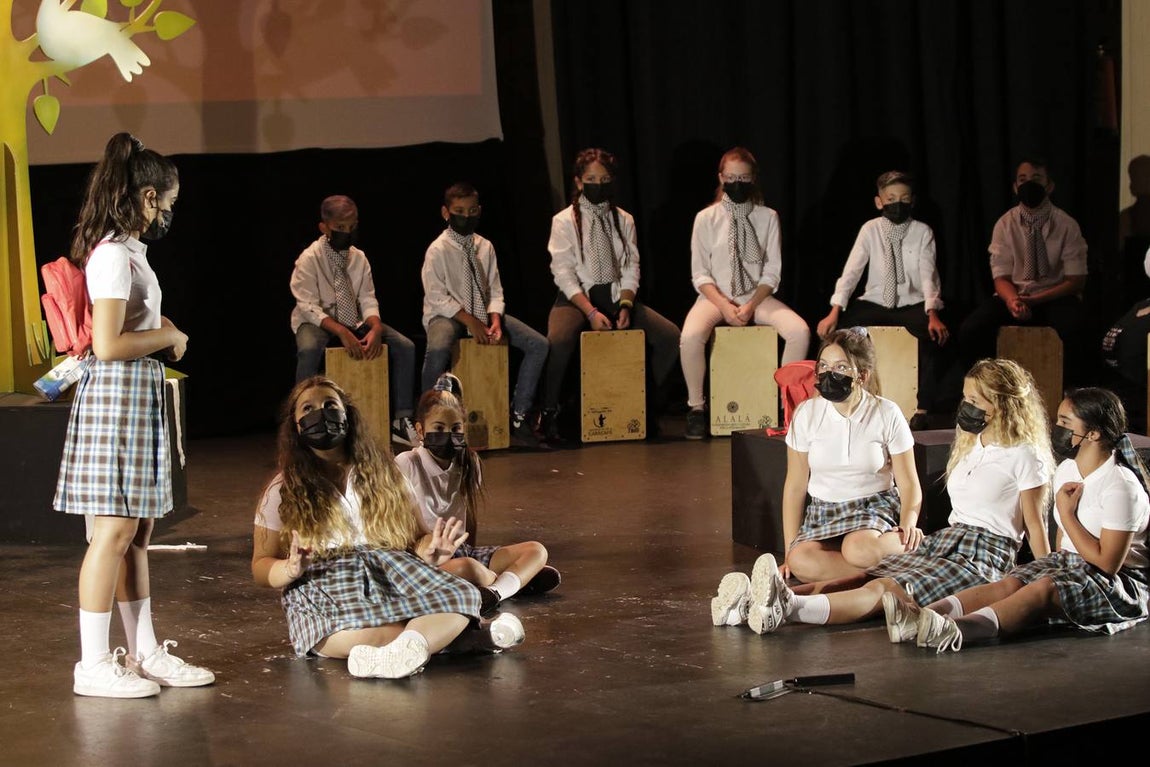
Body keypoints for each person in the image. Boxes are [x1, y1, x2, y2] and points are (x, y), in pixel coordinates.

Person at [713, 358, 1053, 637]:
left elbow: (1035, 527)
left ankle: (788, 608)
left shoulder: (1024, 455)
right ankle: (750, 604)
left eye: (976, 402)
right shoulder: (971, 443)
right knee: (866, 577)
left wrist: (1045, 581)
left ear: (1003, 406)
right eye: (966, 398)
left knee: (887, 588)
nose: (967, 407)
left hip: (983, 555)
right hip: (949, 538)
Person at [55, 132, 215, 698]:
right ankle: (92, 663)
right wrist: (168, 333)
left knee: (139, 532)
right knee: (113, 532)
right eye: (167, 204)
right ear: (147, 198)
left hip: (136, 395)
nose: (169, 214)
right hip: (116, 396)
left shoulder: (129, 253)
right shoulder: (112, 256)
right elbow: (107, 344)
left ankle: (144, 652)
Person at [251, 376, 526, 679]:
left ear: (347, 414)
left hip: (388, 570)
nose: (321, 413)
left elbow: (417, 537)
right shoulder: (282, 488)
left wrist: (429, 553)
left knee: (465, 596)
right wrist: (290, 569)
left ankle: (409, 646)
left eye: (330, 405)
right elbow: (261, 565)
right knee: (377, 632)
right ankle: (457, 639)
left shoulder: (385, 473)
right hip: (325, 581)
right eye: (308, 409)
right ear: (296, 426)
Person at [911, 387, 1149, 653]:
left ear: (1092, 433)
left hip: (1116, 582)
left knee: (1045, 588)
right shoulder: (1068, 468)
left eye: (1065, 422)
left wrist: (1067, 515)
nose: (1057, 428)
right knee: (1014, 581)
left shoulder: (1121, 487)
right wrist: (1056, 561)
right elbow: (1063, 541)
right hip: (1072, 562)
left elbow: (1108, 564)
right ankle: (925, 616)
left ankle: (958, 630)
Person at [539, 147, 682, 443]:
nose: (598, 184)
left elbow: (632, 266)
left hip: (618, 297)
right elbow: (563, 272)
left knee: (669, 336)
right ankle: (549, 411)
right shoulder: (564, 221)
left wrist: (627, 304)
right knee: (560, 340)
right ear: (579, 181)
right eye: (591, 178)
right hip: (577, 299)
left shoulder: (623, 219)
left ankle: (643, 403)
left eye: (604, 179)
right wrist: (590, 311)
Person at [776, 327, 924, 601]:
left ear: (862, 376)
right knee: (800, 562)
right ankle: (884, 577)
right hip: (824, 510)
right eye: (824, 366)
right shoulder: (807, 414)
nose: (829, 373)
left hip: (871, 506)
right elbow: (795, 486)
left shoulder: (886, 413)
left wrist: (908, 524)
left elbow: (908, 481)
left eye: (841, 367)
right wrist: (789, 551)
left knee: (857, 549)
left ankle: (905, 554)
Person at [395, 374, 561, 612]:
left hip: (461, 550)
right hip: (424, 555)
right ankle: (512, 580)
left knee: (536, 550)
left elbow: (469, 516)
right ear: (420, 431)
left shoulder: (469, 461)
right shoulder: (407, 463)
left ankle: (495, 591)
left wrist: (470, 549)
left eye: (455, 428)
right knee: (468, 569)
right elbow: (407, 526)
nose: (448, 434)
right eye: (439, 428)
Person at [680, 147, 810, 440]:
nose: (737, 183)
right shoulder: (706, 218)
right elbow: (700, 273)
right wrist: (724, 306)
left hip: (756, 297)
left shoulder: (767, 216)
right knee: (689, 337)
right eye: (732, 177)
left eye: (744, 177)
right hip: (715, 297)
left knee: (798, 331)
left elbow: (772, 272)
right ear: (722, 178)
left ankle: (785, 405)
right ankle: (696, 408)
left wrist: (751, 304)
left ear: (753, 179)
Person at [816, 171, 953, 430]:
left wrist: (933, 313)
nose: (897, 204)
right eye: (891, 198)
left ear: (912, 201)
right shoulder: (871, 229)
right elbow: (852, 271)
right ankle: (844, 395)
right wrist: (834, 310)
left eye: (903, 198)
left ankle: (922, 407)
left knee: (934, 338)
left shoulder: (922, 231)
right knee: (844, 334)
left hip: (911, 303)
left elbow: (928, 274)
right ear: (879, 201)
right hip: (876, 301)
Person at [419, 183, 550, 447]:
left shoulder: (485, 246)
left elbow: (495, 289)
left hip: (482, 313)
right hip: (449, 315)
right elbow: (436, 296)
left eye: (471, 211)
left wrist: (495, 319)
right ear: (446, 212)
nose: (465, 216)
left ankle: (519, 415)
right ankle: (425, 416)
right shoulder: (438, 249)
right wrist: (470, 321)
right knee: (439, 344)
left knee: (538, 344)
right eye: (459, 211)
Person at [290, 195, 419, 447]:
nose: (346, 233)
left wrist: (376, 327)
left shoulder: (358, 257)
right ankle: (301, 421)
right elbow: (307, 306)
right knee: (308, 349)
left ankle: (401, 420)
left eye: (351, 227)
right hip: (318, 320)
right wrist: (340, 331)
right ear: (324, 227)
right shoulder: (309, 259)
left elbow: (367, 297)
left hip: (354, 319)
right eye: (340, 228)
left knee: (405, 346)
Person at [956, 158, 1089, 386]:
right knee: (971, 330)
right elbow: (1001, 276)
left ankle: (1071, 393)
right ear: (1015, 187)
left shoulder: (1067, 225)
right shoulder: (1005, 224)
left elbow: (1075, 280)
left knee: (1076, 329)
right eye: (1023, 179)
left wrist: (1036, 299)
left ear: (1049, 186)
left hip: (1053, 295)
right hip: (1015, 295)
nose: (1029, 184)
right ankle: (985, 389)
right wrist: (1013, 301)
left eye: (1036, 179)